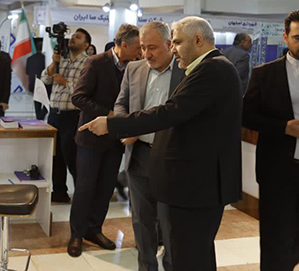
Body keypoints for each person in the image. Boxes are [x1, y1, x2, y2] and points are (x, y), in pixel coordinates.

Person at [80, 16, 242, 271]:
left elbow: (169, 112)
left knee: (188, 257)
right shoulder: (209, 68)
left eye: (177, 42)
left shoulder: (212, 69)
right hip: (190, 180)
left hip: (199, 185)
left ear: (198, 40)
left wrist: (112, 124)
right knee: (186, 251)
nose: (173, 49)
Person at [114, 21, 185, 271]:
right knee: (142, 221)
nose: (146, 54)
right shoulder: (134, 69)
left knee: (170, 223)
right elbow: (121, 104)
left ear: (169, 44)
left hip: (171, 158)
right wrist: (126, 127)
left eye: (152, 48)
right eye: (143, 47)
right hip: (139, 156)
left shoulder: (186, 72)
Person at [67, 24, 141, 257]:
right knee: (85, 188)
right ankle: (77, 234)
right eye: (138, 47)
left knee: (105, 189)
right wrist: (109, 115)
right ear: (124, 45)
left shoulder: (135, 67)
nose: (141, 52)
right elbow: (78, 97)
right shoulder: (96, 62)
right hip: (90, 139)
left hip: (115, 141)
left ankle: (94, 229)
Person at [243, 10, 299, 271]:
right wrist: (283, 128)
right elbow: (246, 116)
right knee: (276, 237)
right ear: (285, 37)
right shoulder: (264, 74)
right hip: (277, 169)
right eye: (298, 37)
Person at [41, 29, 91, 203]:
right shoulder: (61, 59)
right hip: (54, 115)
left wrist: (65, 82)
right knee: (55, 156)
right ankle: (59, 192)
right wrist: (53, 63)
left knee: (72, 156)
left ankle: (82, 195)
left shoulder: (88, 62)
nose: (73, 39)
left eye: (78, 37)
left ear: (86, 45)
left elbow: (84, 90)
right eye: (73, 36)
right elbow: (45, 79)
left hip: (73, 116)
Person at [26, 40, 48, 120]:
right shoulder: (45, 59)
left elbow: (27, 72)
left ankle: (38, 117)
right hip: (44, 83)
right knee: (47, 101)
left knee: (37, 102)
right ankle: (41, 116)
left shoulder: (30, 58)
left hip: (33, 82)